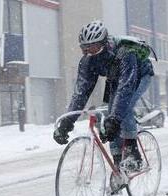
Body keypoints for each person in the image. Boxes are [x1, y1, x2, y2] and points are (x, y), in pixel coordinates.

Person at [53, 20, 155, 173]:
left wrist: (115, 119)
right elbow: (80, 93)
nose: (89, 53)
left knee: (122, 110)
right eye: (84, 49)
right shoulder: (88, 62)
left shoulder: (125, 53)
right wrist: (67, 123)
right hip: (115, 78)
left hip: (140, 75)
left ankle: (133, 153)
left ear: (104, 43)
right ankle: (118, 167)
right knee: (109, 117)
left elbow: (125, 88)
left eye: (93, 48)